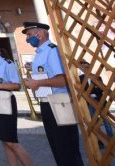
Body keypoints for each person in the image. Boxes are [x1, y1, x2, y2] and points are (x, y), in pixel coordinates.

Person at [23, 22, 83, 166]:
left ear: (40, 34)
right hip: (47, 104)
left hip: (59, 103)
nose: (27, 39)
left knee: (67, 150)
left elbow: (63, 80)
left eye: (29, 35)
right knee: (57, 148)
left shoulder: (52, 51)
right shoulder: (40, 54)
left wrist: (38, 83)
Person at [0, 41, 31, 166]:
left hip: (6, 102)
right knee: (5, 141)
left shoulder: (7, 64)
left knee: (11, 141)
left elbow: (16, 85)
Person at [78, 60, 113, 148]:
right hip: (89, 103)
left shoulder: (97, 77)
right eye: (84, 67)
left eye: (87, 67)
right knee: (94, 122)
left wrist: (93, 94)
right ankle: (100, 141)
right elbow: (81, 91)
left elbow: (101, 89)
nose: (86, 69)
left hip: (100, 101)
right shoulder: (80, 79)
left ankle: (111, 140)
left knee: (106, 121)